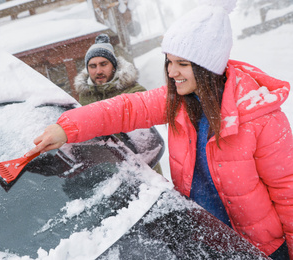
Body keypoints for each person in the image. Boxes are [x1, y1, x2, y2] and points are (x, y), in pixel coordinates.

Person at [26, 0, 293, 258]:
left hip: (260, 249)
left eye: (182, 63)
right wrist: (67, 128)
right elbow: (125, 108)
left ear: (208, 67)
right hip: (202, 241)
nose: (171, 71)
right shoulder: (178, 101)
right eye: (169, 60)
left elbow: (288, 193)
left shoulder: (260, 117)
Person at [75, 33, 163, 174]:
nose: (98, 71)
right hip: (107, 175)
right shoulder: (85, 98)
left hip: (143, 171)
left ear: (114, 66)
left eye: (104, 64)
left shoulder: (134, 92)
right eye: (92, 66)